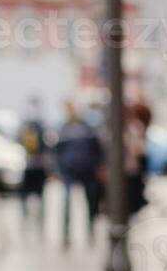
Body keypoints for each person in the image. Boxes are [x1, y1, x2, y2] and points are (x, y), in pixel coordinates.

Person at [52, 100, 103, 248]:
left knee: (90, 202)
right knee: (67, 203)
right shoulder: (64, 129)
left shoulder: (88, 128)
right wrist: (57, 169)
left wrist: (98, 166)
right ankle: (66, 234)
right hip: (69, 170)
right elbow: (57, 152)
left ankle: (90, 231)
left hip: (87, 170)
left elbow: (97, 150)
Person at [17, 97, 52, 227]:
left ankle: (28, 219)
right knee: (35, 196)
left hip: (30, 166)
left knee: (26, 196)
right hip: (35, 166)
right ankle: (34, 219)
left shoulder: (26, 126)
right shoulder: (41, 127)